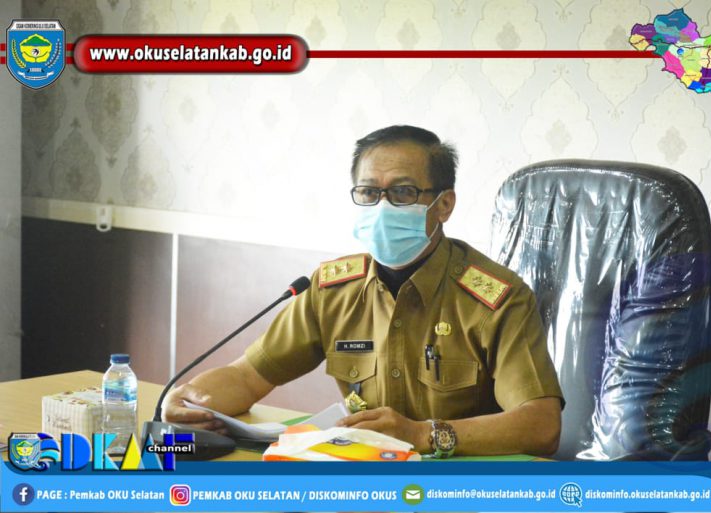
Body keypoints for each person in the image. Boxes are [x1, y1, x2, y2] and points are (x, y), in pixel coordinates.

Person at [163, 125, 563, 457]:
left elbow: (541, 425)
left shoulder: (496, 300)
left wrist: (423, 434)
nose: (382, 207)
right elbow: (248, 376)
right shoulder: (333, 289)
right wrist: (189, 400)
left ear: (444, 205)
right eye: (370, 193)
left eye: (403, 192)